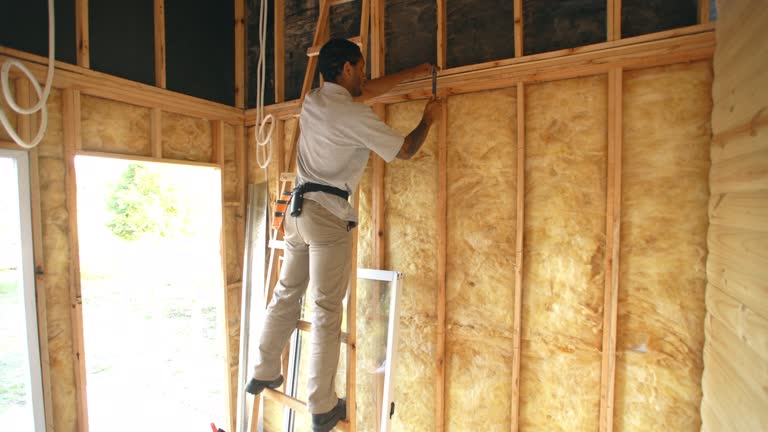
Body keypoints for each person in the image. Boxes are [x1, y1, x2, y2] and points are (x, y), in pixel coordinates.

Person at [245, 38, 442, 432]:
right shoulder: (353, 116)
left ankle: (262, 370)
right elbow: (404, 150)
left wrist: (417, 72)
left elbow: (366, 91)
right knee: (325, 311)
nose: (365, 76)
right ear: (348, 68)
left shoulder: (315, 100)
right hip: (327, 218)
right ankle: (321, 406)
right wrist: (428, 119)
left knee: (287, 293)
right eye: (362, 68)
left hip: (296, 216)